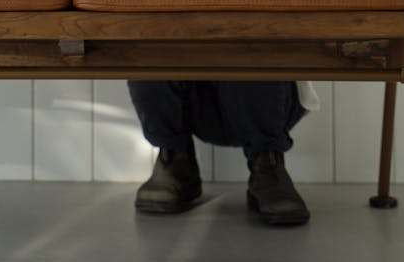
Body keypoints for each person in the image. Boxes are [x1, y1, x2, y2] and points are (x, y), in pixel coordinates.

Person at [128, 79, 317, 225]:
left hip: (265, 102)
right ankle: (174, 160)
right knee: (149, 38)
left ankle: (268, 165)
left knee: (255, 38)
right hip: (195, 99)